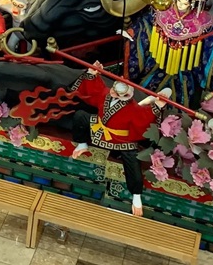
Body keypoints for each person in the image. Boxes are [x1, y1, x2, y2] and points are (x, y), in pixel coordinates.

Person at [68, 70, 170, 217]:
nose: (118, 96)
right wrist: (92, 74)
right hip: (100, 129)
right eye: (116, 93)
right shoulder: (105, 94)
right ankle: (82, 144)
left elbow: (144, 117)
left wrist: (157, 106)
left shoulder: (133, 107)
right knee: (80, 116)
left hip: (121, 140)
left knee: (132, 160)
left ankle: (136, 195)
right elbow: (95, 90)